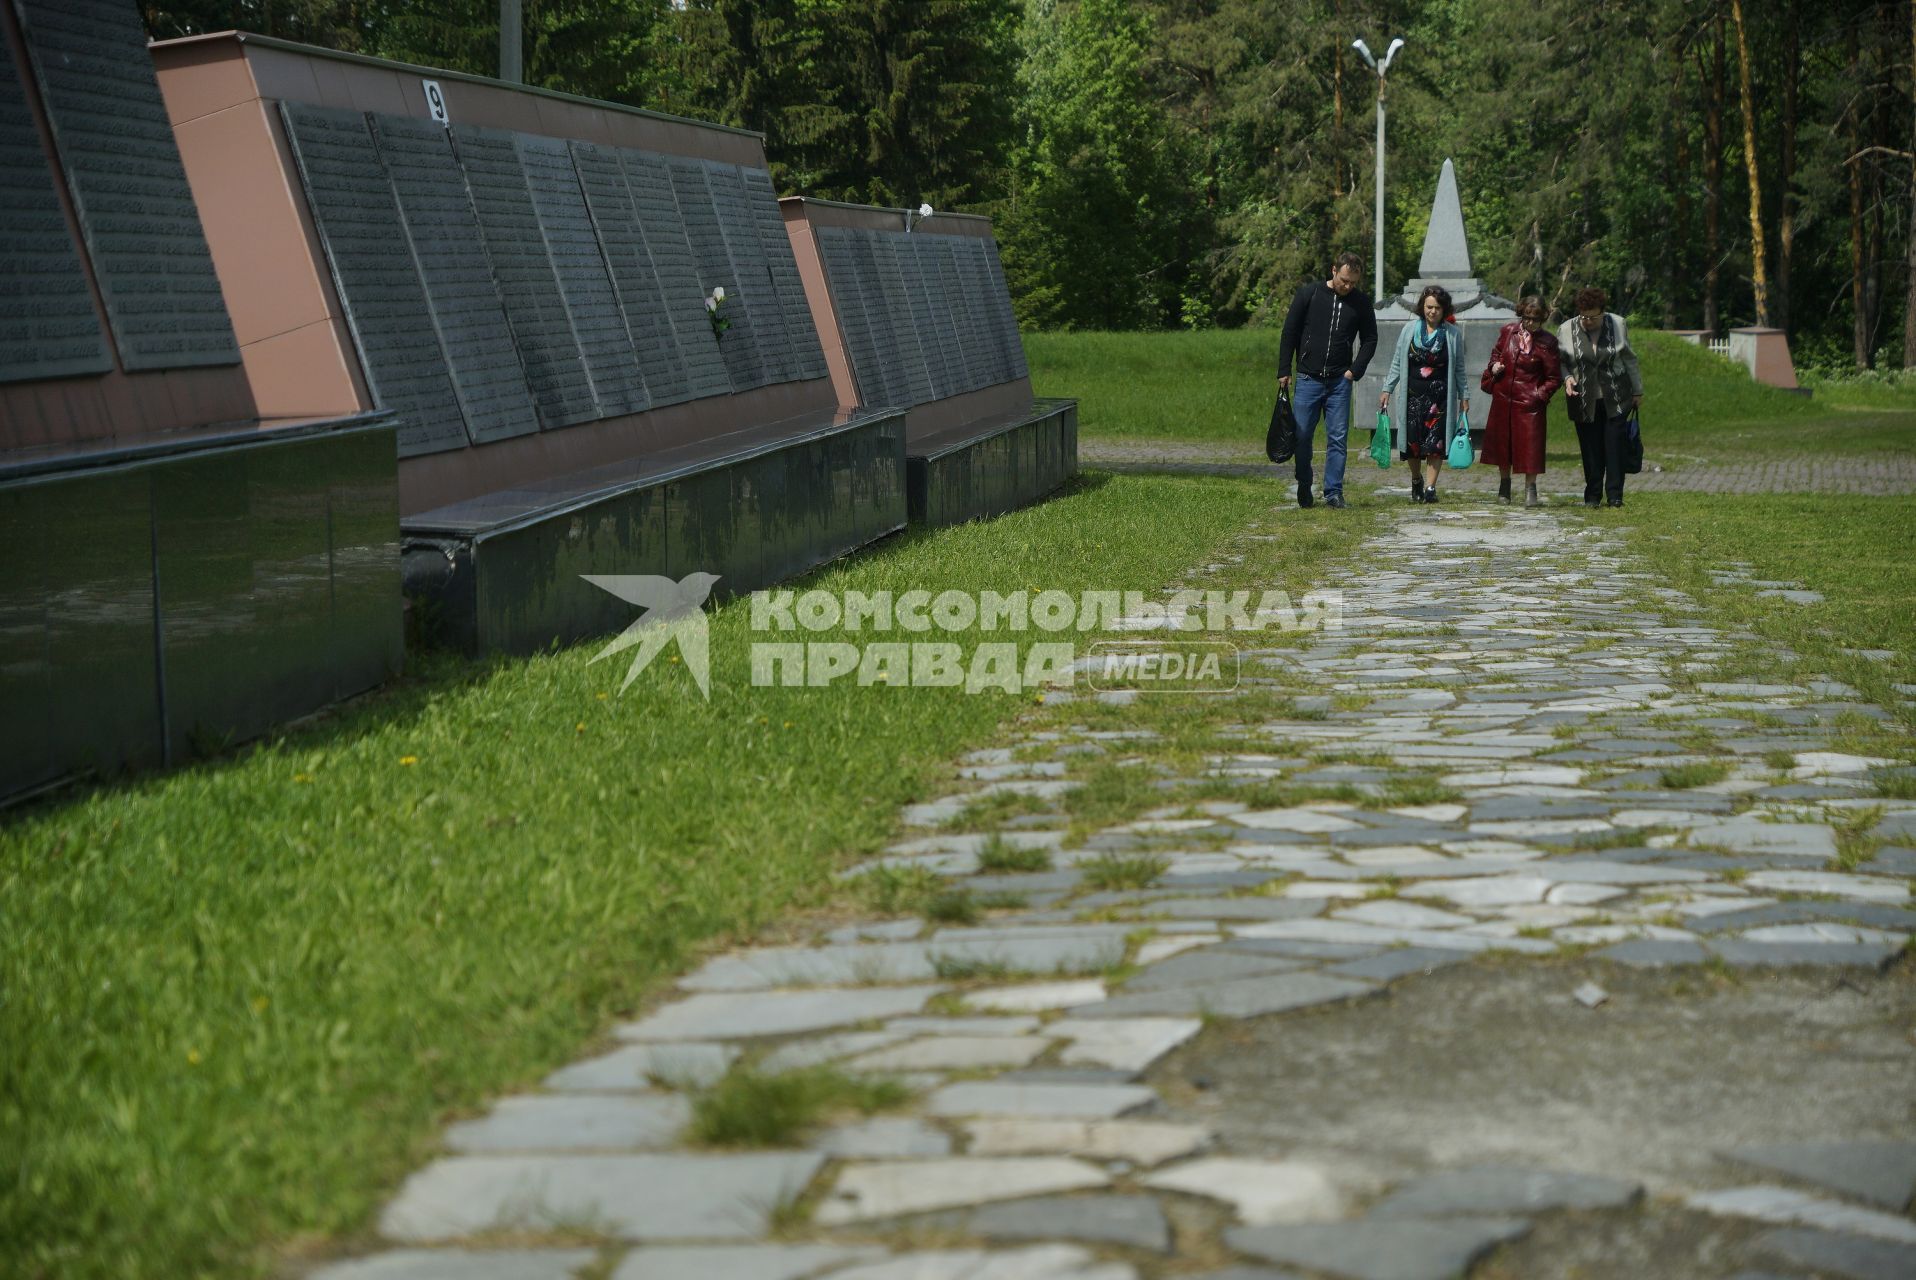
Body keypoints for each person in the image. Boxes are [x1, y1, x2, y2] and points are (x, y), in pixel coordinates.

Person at [1277, 252, 1378, 509]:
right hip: (1308, 378)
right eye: (1344, 280)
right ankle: (1304, 482)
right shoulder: (1308, 295)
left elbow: (1370, 339)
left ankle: (1333, 491)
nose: (1348, 286)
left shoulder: (1361, 303)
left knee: (1337, 438)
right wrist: (1284, 369)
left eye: (1353, 283)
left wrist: (1354, 371)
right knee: (1301, 436)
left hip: (1339, 382)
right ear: (1334, 270)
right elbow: (1290, 332)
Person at [1379, 285, 1470, 504]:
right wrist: (1387, 388)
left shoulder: (1453, 334)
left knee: (1435, 445)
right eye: (1429, 307)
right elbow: (1397, 361)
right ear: (1422, 307)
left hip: (1439, 400)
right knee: (1412, 446)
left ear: (1444, 309)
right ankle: (1417, 479)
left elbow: (1459, 368)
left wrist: (1464, 395)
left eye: (1437, 308)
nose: (1433, 312)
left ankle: (1430, 487)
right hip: (1412, 397)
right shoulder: (1409, 330)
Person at [1557, 287, 1645, 508]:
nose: (1588, 321)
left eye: (1593, 316)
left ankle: (1615, 495)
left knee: (1614, 447)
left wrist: (1637, 391)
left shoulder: (1618, 324)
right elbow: (1560, 362)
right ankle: (1593, 495)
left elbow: (1629, 359)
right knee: (1591, 449)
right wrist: (1567, 378)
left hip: (1616, 395)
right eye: (1584, 316)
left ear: (1603, 313)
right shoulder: (1565, 329)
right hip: (1583, 398)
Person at [1480, 295, 1562, 508]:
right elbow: (1496, 354)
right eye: (1527, 318)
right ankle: (1504, 487)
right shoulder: (1508, 332)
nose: (1530, 323)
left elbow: (1554, 378)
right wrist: (1494, 366)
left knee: (1530, 447)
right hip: (1503, 398)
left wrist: (1538, 395)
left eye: (1536, 319)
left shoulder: (1548, 342)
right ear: (1521, 315)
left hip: (1529, 402)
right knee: (1502, 446)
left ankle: (1530, 490)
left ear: (1543, 318)